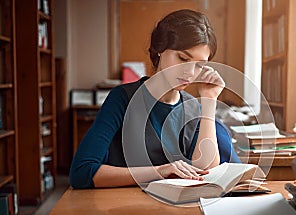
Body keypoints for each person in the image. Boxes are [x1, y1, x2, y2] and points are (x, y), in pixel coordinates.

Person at [70, 9, 240, 189]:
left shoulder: (193, 108)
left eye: (199, 65)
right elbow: (82, 172)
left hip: (177, 210)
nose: (190, 73)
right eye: (183, 58)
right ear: (160, 49)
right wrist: (160, 171)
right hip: (124, 208)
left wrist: (209, 100)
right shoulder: (122, 99)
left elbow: (206, 173)